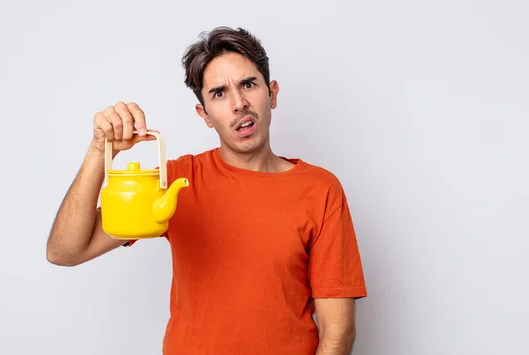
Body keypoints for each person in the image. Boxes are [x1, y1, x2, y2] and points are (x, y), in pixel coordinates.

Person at [47, 26, 367, 355]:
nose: (239, 104)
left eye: (248, 84)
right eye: (219, 93)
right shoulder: (175, 182)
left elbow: (338, 330)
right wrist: (100, 150)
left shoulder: (320, 190)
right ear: (205, 116)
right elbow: (65, 251)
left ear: (272, 93)